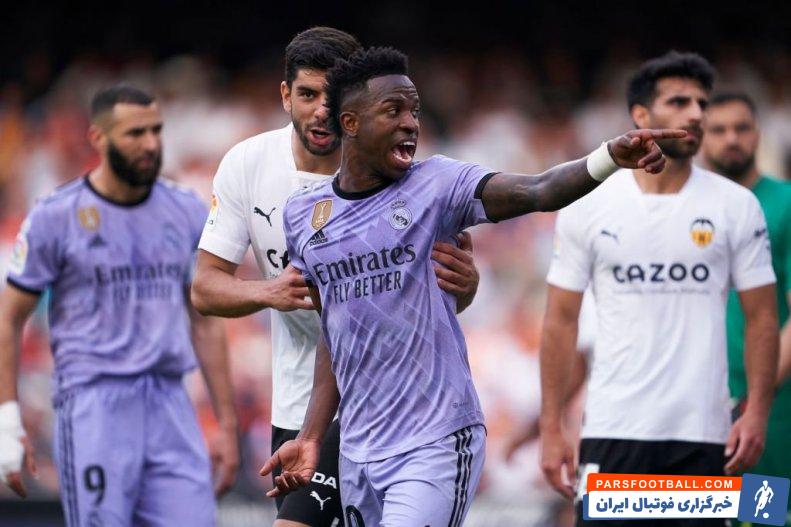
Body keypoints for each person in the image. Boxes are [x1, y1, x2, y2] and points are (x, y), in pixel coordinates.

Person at [260, 45, 682, 527]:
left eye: (415, 111)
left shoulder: (437, 184)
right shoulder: (304, 216)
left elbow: (539, 189)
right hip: (358, 450)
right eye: (394, 110)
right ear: (351, 123)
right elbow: (335, 335)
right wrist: (312, 436)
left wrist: (609, 157)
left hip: (435, 440)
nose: (410, 123)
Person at [190, 27, 480, 527]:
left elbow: (436, 297)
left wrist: (467, 287)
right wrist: (270, 291)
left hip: (385, 405)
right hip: (298, 403)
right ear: (286, 95)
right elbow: (205, 288)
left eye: (331, 97)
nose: (320, 111)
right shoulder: (248, 163)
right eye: (307, 95)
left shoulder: (395, 173)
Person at [539, 52, 779, 526]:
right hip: (613, 428)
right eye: (679, 102)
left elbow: (763, 317)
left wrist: (756, 413)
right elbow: (560, 321)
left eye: (702, 103)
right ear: (641, 115)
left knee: (768, 511)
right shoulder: (589, 204)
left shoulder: (736, 206)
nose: (696, 113)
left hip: (704, 432)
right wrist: (551, 426)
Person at [0, 85, 238, 526]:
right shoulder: (56, 216)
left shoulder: (185, 210)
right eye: (134, 134)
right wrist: (7, 422)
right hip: (94, 404)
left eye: (156, 131)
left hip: (169, 402)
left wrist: (226, 423)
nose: (150, 144)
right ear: (98, 138)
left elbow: (204, 321)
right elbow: (9, 318)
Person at [701, 91, 791, 524]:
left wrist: (754, 400)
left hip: (769, 408)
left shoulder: (785, 204)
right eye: (718, 130)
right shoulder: (690, 207)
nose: (731, 139)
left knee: (762, 514)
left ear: (758, 134)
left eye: (742, 128)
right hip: (698, 405)